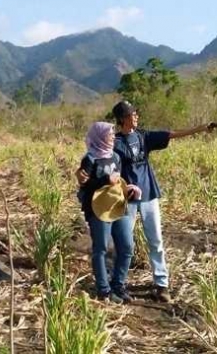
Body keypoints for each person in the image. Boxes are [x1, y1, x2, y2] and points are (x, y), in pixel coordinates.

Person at [77, 101, 217, 302]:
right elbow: (94, 160)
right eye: (131, 114)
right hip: (125, 199)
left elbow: (172, 134)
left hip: (148, 193)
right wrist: (80, 175)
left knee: (155, 240)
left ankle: (161, 284)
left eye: (135, 113)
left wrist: (201, 128)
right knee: (121, 243)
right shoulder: (113, 142)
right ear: (122, 119)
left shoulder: (143, 136)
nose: (135, 116)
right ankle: (111, 285)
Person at [78, 121, 141, 303]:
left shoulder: (115, 157)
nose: (113, 137)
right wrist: (105, 179)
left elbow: (118, 182)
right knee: (101, 249)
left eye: (113, 134)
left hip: (117, 205)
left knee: (127, 247)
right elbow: (85, 184)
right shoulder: (89, 159)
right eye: (110, 134)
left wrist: (129, 189)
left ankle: (118, 285)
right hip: (97, 209)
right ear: (100, 137)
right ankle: (104, 291)